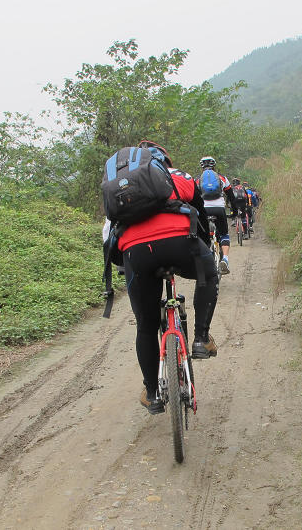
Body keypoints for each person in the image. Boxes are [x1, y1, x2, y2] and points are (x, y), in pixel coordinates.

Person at [117, 140, 220, 414]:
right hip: (180, 244)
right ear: (166, 162)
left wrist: (124, 265)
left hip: (136, 254)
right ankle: (201, 339)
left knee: (146, 325)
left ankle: (152, 393)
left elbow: (110, 235)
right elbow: (200, 214)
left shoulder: (122, 186)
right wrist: (201, 252)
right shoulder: (179, 176)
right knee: (209, 275)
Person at [197, 156, 236, 275]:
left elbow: (193, 198)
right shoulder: (222, 178)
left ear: (201, 167)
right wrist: (233, 212)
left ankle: (203, 259)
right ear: (214, 166)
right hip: (219, 209)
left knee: (201, 235)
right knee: (224, 234)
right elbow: (231, 197)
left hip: (204, 210)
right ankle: (225, 259)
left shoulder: (197, 180)